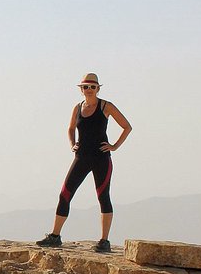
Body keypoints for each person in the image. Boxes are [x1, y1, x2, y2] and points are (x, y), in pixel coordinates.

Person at [36, 73, 132, 252]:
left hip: (101, 158)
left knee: (103, 197)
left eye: (92, 87)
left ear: (98, 88)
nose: (89, 89)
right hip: (81, 158)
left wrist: (114, 146)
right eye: (86, 87)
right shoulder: (78, 107)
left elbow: (127, 127)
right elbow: (71, 128)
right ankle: (55, 236)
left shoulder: (106, 106)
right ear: (81, 89)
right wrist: (72, 144)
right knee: (65, 194)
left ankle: (104, 241)